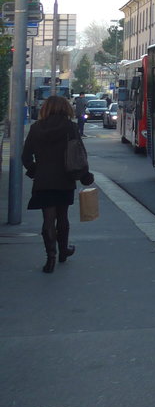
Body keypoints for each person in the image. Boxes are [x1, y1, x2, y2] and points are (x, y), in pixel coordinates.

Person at [22, 95, 95, 274]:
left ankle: (50, 258)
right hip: (65, 178)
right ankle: (63, 251)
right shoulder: (70, 127)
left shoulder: (35, 128)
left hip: (43, 180)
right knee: (62, 217)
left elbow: (26, 157)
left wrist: (35, 171)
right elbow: (79, 154)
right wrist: (84, 175)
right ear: (65, 108)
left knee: (48, 219)